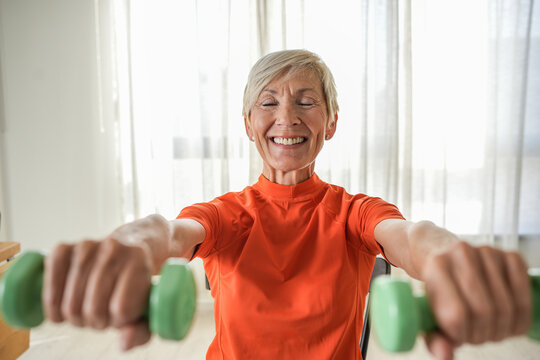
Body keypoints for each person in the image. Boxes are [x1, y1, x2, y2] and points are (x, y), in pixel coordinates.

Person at [43, 50, 532, 360]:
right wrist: (129, 244)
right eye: (268, 102)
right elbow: (168, 231)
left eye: (306, 101)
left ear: (331, 122)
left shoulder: (354, 213)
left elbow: (409, 237)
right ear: (249, 122)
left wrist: (453, 258)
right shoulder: (230, 214)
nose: (286, 117)